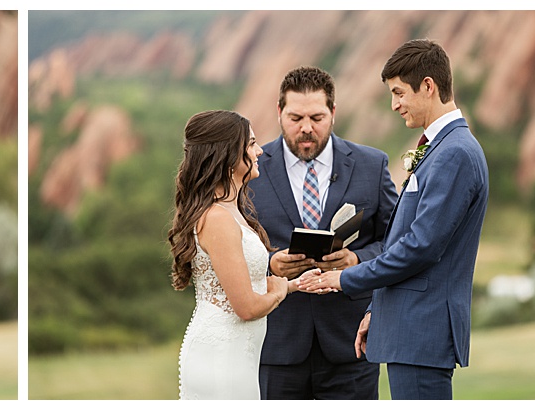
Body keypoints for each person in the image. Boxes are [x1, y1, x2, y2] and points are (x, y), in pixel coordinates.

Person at [300, 39, 489, 400]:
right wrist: (378, 310)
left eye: (399, 92)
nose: (394, 104)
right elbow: (403, 238)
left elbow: (420, 247)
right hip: (408, 327)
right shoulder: (439, 148)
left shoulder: (454, 154)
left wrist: (344, 279)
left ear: (429, 86)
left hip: (423, 329)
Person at [248, 66, 396, 399]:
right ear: (279, 112)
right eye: (295, 117)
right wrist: (271, 263)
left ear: (333, 113)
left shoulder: (372, 165)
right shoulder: (251, 169)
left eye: (316, 117)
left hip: (351, 344)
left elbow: (397, 240)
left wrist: (357, 258)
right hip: (276, 344)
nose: (305, 128)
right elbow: (232, 244)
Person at [170, 110, 300, 400]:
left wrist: (293, 284)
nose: (260, 150)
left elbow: (244, 283)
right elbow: (246, 307)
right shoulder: (216, 217)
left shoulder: (231, 209)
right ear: (229, 155)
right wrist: (279, 293)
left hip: (238, 355)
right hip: (221, 356)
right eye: (251, 144)